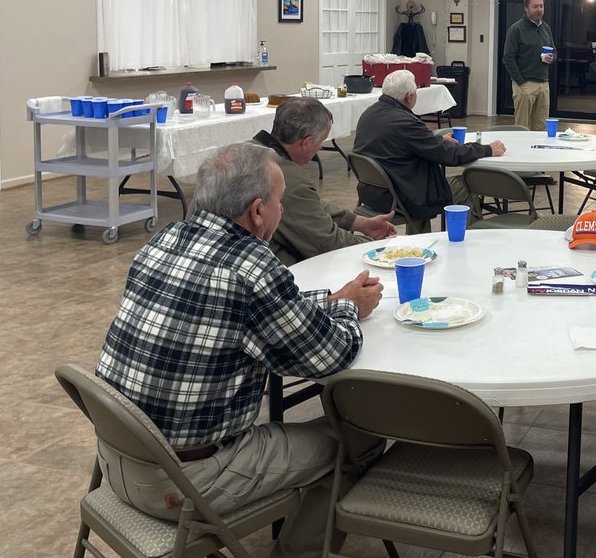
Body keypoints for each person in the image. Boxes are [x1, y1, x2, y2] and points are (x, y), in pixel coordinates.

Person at [95, 142, 386, 558]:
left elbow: (256, 310)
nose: (282, 211)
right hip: (182, 481)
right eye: (280, 201)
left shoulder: (165, 240)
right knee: (358, 441)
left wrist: (332, 298)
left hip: (117, 456)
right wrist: (349, 308)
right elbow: (332, 354)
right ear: (257, 211)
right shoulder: (250, 265)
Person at [353, 69, 505, 234]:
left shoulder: (369, 114)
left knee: (421, 180)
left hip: (371, 193)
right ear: (409, 97)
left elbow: (405, 145)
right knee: (466, 185)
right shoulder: (405, 122)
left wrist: (434, 141)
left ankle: (418, 240)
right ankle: (469, 239)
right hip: (400, 196)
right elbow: (449, 155)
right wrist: (487, 149)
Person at [253, 97, 396, 263]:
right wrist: (375, 247)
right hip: (269, 267)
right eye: (321, 141)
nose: (320, 147)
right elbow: (326, 243)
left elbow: (309, 207)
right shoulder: (286, 177)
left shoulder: (250, 149)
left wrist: (361, 223)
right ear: (306, 142)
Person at [502, 0, 554, 131]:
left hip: (543, 84)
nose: (539, 10)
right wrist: (520, 82)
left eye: (541, 6)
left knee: (541, 127)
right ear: (526, 8)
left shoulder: (546, 28)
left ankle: (538, 152)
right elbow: (508, 58)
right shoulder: (516, 29)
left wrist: (551, 57)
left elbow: (554, 51)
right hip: (525, 84)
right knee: (522, 127)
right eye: (535, 6)